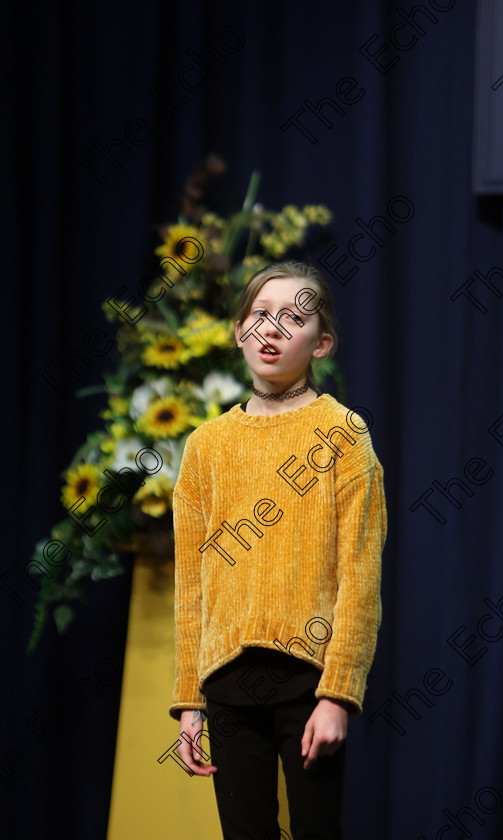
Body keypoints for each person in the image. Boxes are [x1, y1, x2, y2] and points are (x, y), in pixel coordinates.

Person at [170, 260, 387, 840]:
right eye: (259, 315)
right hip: (227, 685)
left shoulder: (344, 433)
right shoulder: (206, 446)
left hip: (309, 683)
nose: (271, 329)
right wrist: (189, 701)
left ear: (323, 343)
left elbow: (360, 578)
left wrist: (339, 694)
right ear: (239, 330)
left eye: (293, 318)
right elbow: (191, 586)